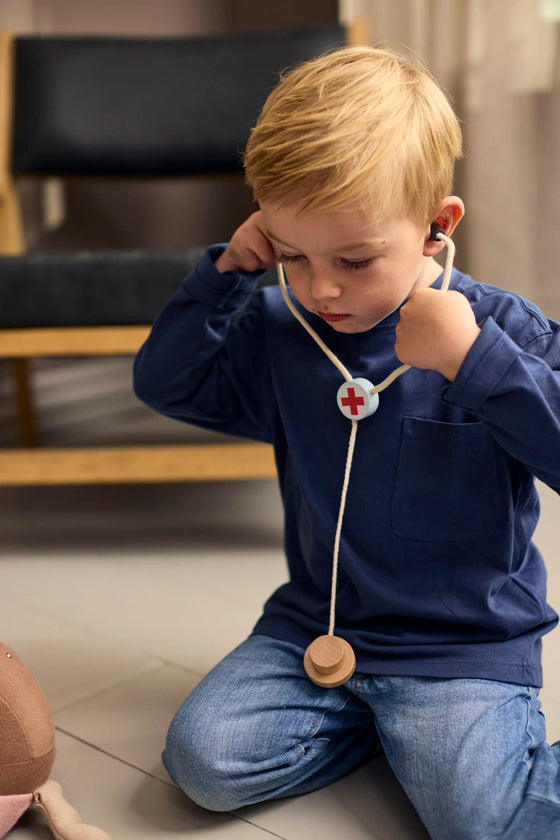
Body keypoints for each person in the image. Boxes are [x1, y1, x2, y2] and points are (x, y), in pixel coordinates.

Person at [133, 45, 560, 840]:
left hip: (458, 649)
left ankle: (429, 738)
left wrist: (478, 366)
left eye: (355, 260)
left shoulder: (501, 333)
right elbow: (167, 384)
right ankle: (382, 732)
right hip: (318, 629)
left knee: (484, 823)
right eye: (292, 254)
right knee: (204, 764)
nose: (322, 287)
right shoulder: (280, 330)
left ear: (438, 226)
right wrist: (229, 272)